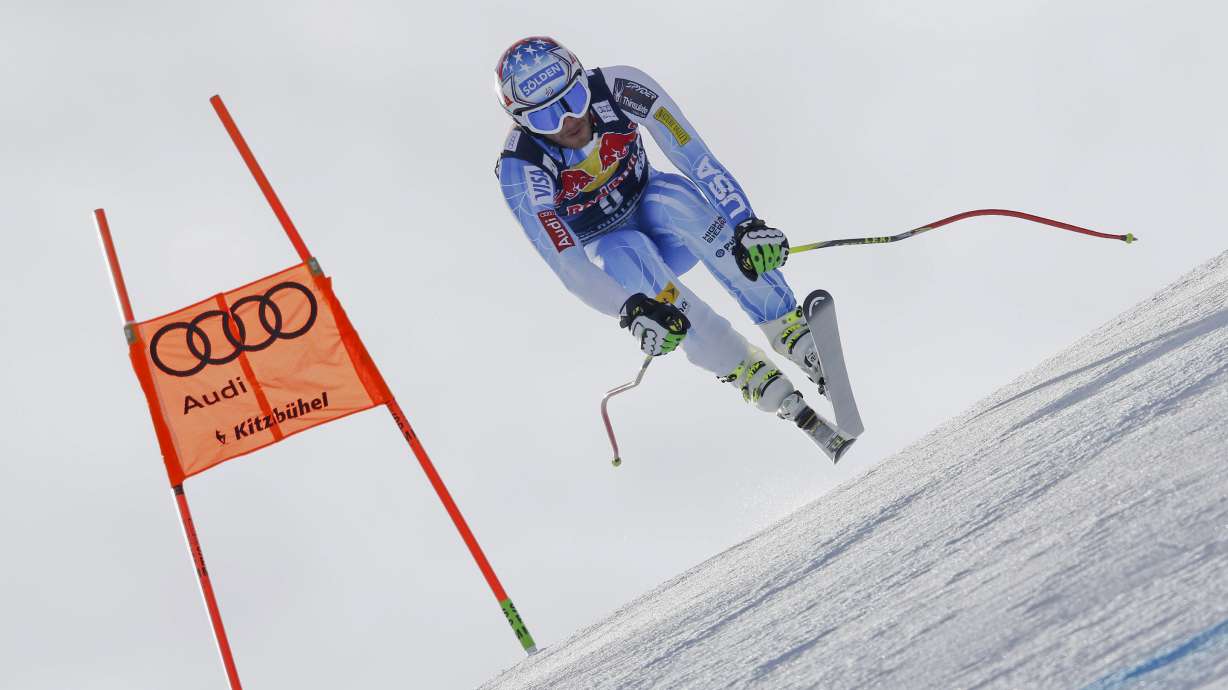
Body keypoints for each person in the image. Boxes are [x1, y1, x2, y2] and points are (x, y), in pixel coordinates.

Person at [494, 36, 849, 458]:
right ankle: (749, 374)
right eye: (547, 116)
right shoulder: (521, 168)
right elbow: (568, 265)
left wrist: (746, 224)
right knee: (622, 254)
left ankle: (789, 328)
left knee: (675, 201)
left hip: (659, 213)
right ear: (521, 121)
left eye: (573, 96)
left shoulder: (622, 87)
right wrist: (631, 310)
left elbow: (696, 158)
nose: (569, 120)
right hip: (617, 252)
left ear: (583, 77)